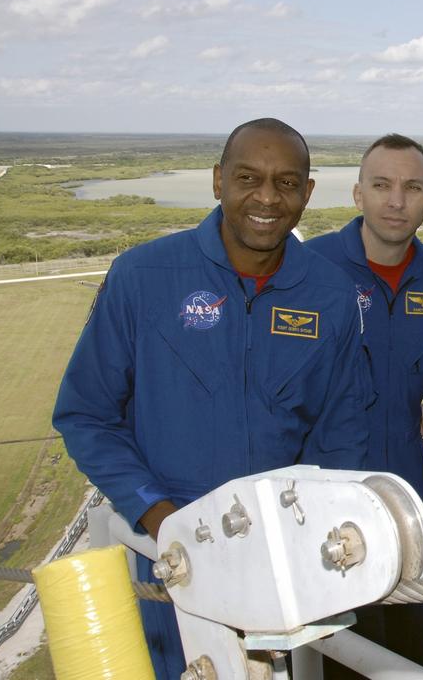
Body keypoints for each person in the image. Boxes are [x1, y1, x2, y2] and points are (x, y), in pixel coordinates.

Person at [52, 118, 371, 679]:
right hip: (166, 555)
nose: (267, 197)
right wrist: (160, 518)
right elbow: (86, 414)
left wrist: (307, 539)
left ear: (308, 193)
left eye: (287, 182)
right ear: (218, 179)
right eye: (248, 177)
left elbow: (340, 432)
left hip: (276, 559)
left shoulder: (331, 295)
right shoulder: (143, 276)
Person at [305, 133, 423, 674]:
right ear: (357, 194)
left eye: (412, 188)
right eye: (381, 185)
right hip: (318, 488)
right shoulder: (308, 270)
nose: (396, 201)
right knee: (333, 648)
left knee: (405, 640)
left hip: (404, 483)